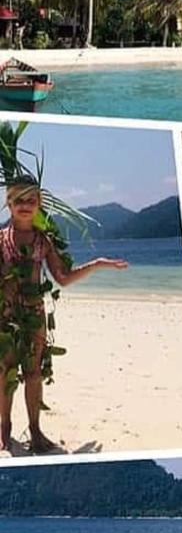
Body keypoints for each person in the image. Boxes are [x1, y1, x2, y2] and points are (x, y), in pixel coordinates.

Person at [0, 176, 129, 454]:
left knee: (34, 374)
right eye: (18, 200)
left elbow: (63, 278)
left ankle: (35, 430)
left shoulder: (43, 241)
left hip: (35, 315)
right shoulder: (1, 239)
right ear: (8, 203)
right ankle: (5, 429)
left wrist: (97, 264)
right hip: (6, 317)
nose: (24, 205)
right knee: (5, 374)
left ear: (39, 204)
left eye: (30, 200)